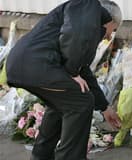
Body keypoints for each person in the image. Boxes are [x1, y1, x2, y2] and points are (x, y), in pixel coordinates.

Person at [6, 0, 122, 160]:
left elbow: (84, 71)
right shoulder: (89, 7)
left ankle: (41, 156)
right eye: (113, 30)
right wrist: (72, 71)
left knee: (64, 101)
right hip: (35, 64)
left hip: (24, 64)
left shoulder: (85, 14)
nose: (109, 36)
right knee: (82, 100)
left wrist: (105, 107)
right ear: (110, 19)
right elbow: (76, 34)